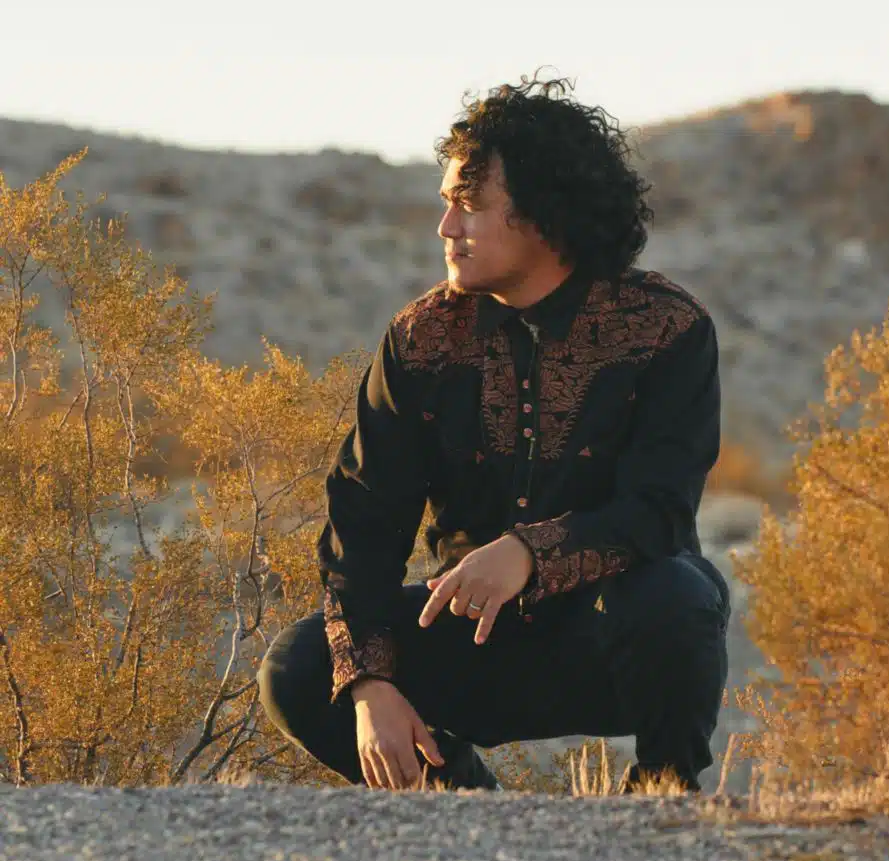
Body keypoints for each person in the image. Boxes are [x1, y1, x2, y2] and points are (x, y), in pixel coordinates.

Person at [258, 74, 730, 793]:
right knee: (297, 669)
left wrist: (529, 554)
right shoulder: (421, 339)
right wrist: (371, 685)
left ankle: (658, 806)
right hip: (473, 640)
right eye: (447, 203)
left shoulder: (666, 327)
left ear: (545, 213)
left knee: (680, 596)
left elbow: (659, 510)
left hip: (611, 638)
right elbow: (365, 527)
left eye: (470, 206)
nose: (447, 228)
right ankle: (465, 806)